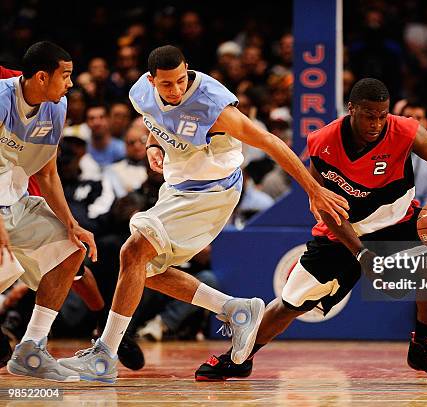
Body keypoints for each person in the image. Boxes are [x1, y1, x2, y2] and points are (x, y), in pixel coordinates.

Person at [59, 45, 349, 383]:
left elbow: (271, 143)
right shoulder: (140, 92)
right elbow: (155, 121)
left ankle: (104, 355)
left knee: (132, 251)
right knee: (143, 272)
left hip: (214, 192)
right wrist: (154, 145)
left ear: (188, 70)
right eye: (167, 85)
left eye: (182, 80)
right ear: (152, 81)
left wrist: (313, 189)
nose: (177, 90)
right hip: (179, 187)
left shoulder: (213, 106)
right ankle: (235, 309)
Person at [196, 78, 427, 385]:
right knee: (291, 304)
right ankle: (239, 357)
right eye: (369, 115)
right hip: (343, 231)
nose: (377, 123)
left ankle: (423, 346)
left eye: (382, 115)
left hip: (399, 222)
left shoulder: (405, 130)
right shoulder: (323, 143)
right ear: (351, 109)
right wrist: (362, 254)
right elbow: (325, 207)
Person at [0, 42, 97, 381]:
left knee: (72, 250)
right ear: (42, 76)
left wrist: (71, 224)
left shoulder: (57, 107)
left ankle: (31, 348)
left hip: (16, 203)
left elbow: (47, 173)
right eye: (65, 76)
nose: (71, 83)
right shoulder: (1, 98)